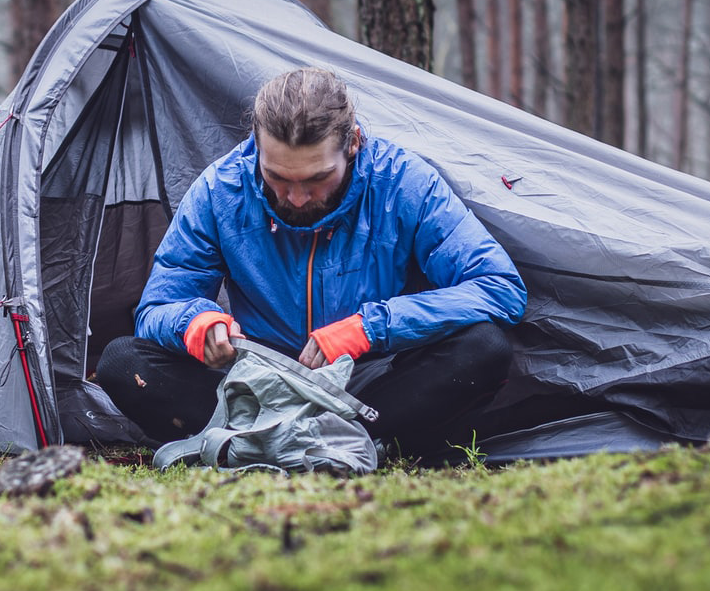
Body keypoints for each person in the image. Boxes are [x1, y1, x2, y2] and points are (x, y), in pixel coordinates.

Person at [95, 66, 526, 463]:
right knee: (121, 362)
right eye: (278, 178)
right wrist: (197, 324)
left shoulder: (405, 183)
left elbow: (499, 287)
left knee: (484, 349)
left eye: (317, 179)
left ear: (353, 143)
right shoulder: (219, 190)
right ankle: (307, 444)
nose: (297, 198)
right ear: (256, 148)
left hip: (365, 385)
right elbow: (157, 308)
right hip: (252, 386)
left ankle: (300, 444)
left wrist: (368, 328)